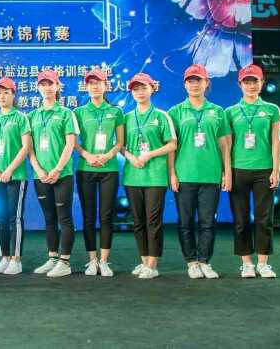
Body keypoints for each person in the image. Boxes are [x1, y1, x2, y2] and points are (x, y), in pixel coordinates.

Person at [168, 64, 232, 279]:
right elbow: (171, 146)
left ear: (206, 83)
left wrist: (226, 173)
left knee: (208, 222)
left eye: (198, 80)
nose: (194, 84)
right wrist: (172, 173)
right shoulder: (176, 112)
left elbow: (224, 145)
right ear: (185, 84)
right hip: (184, 175)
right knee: (185, 222)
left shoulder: (218, 111)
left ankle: (204, 261)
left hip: (211, 175)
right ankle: (191, 262)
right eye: (190, 81)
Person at [225, 64, 280, 278]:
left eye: (255, 81)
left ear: (261, 83)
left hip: (264, 171)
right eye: (247, 82)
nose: (251, 86)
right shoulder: (230, 112)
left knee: (264, 219)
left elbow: (276, 142)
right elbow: (227, 146)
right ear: (240, 84)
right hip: (238, 170)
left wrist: (276, 170)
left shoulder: (272, 110)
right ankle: (247, 263)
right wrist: (226, 173)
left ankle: (263, 263)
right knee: (240, 220)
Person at [122, 73, 177, 279]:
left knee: (153, 221)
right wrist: (130, 157)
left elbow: (172, 144)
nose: (140, 92)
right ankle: (144, 261)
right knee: (138, 221)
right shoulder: (127, 118)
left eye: (144, 88)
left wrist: (149, 154)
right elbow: (120, 146)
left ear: (152, 89)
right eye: (136, 89)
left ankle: (153, 265)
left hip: (155, 176)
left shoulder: (161, 116)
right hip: (133, 176)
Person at [73, 68, 124, 277]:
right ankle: (92, 260)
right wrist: (87, 155)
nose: (95, 86)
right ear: (86, 87)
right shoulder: (79, 112)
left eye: (99, 82)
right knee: (88, 216)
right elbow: (73, 142)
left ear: (106, 86)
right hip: (86, 168)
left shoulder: (115, 112)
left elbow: (120, 142)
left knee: (106, 216)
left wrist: (108, 155)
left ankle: (104, 261)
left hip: (109, 169)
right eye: (91, 83)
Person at [28, 69, 79, 278]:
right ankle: (52, 258)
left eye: (51, 84)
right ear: (38, 88)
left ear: (57, 87)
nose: (47, 88)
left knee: (64, 218)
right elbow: (29, 148)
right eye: (43, 84)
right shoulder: (32, 116)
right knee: (49, 218)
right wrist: (39, 170)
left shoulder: (66, 113)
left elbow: (70, 144)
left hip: (62, 175)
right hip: (40, 176)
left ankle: (64, 262)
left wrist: (57, 169)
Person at [0, 77, 31, 276]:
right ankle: (4, 257)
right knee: (0, 218)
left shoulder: (21, 118)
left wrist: (10, 170)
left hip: (16, 176)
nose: (2, 97)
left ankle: (16, 260)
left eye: (6, 93)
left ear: (13, 95)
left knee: (15, 218)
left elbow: (26, 147)